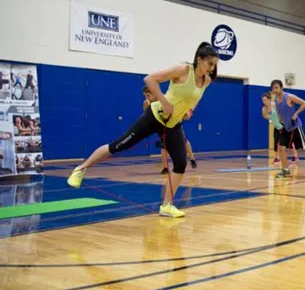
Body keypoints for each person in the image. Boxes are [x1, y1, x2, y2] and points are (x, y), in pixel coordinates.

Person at [66, 42, 219, 218]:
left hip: (173, 124)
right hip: (154, 117)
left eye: (214, 65)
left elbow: (194, 99)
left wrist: (189, 111)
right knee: (118, 146)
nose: (212, 68)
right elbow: (149, 79)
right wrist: (164, 102)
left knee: (180, 163)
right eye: (210, 64)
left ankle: (166, 205)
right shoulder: (183, 70)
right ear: (199, 59)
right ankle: (81, 168)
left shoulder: (206, 81)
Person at [270, 80, 305, 178]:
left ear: (281, 88)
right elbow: (279, 113)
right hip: (285, 127)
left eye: (276, 87)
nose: (274, 90)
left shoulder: (289, 97)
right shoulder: (275, 100)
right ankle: (285, 169)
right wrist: (280, 121)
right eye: (273, 88)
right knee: (281, 147)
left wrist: (296, 113)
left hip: (295, 127)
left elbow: (304, 103)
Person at [143, 87, 197, 173]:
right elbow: (147, 115)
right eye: (145, 96)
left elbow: (180, 112)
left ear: (154, 93)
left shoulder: (165, 99)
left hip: (174, 123)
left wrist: (186, 114)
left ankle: (192, 158)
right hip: (162, 125)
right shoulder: (147, 103)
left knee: (184, 142)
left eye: (148, 95)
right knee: (164, 146)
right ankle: (165, 168)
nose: (147, 98)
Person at [261, 92, 298, 166]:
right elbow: (265, 116)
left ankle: (295, 157)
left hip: (284, 125)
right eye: (262, 100)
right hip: (276, 126)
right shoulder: (264, 109)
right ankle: (277, 158)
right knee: (276, 142)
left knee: (289, 143)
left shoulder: (275, 105)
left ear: (269, 100)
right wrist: (273, 119)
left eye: (265, 100)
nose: (263, 102)